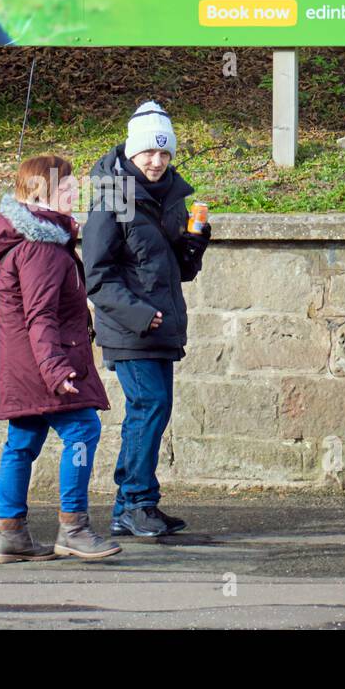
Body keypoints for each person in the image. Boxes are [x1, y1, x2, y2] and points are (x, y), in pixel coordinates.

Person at [0, 154, 123, 562]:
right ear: (40, 191)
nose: (75, 193)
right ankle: (73, 528)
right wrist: (56, 369)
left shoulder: (34, 237)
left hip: (22, 365)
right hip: (43, 364)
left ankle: (12, 535)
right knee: (83, 429)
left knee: (22, 441)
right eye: (67, 188)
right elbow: (40, 315)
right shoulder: (41, 246)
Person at [82, 101, 211, 538]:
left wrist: (195, 243)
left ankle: (133, 505)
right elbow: (96, 276)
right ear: (131, 154)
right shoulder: (112, 198)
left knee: (153, 411)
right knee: (149, 407)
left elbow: (181, 270)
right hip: (131, 328)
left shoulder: (170, 196)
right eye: (148, 154)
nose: (157, 162)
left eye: (164, 153)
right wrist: (142, 315)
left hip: (161, 326)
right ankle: (136, 502)